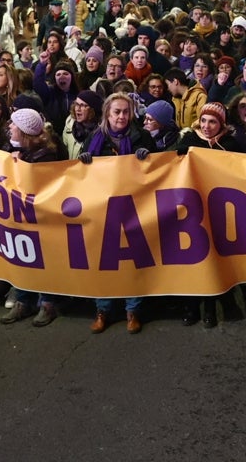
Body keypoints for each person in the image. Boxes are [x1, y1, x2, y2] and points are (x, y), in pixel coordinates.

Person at [83, 94, 155, 334]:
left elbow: (157, 170)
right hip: (101, 208)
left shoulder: (141, 136)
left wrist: (148, 157)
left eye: (126, 112)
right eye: (117, 112)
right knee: (104, 261)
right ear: (107, 114)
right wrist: (82, 162)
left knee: (132, 261)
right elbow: (78, 176)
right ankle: (102, 309)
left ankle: (132, 310)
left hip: (133, 207)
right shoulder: (94, 139)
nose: (122, 116)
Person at [0, 108, 63, 327]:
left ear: (24, 131)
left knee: (43, 259)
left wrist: (21, 163)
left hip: (41, 218)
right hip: (19, 216)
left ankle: (48, 302)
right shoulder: (13, 148)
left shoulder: (45, 154)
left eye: (14, 124)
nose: (9, 127)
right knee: (21, 256)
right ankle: (24, 300)